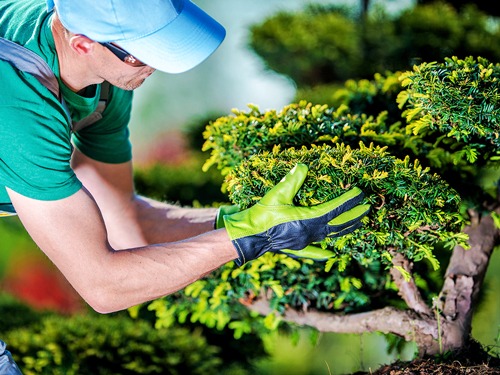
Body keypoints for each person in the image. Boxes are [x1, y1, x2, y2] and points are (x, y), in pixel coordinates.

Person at [0, 0, 370, 372]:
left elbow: (125, 220)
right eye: (143, 54)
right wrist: (252, 237)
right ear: (84, 44)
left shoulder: (109, 77)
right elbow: (103, 285)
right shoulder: (19, 104)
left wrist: (239, 221)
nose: (154, 66)